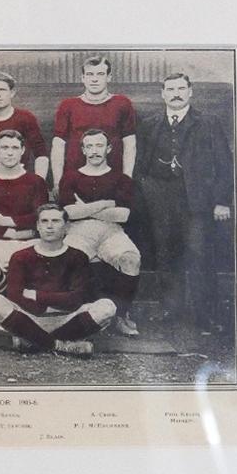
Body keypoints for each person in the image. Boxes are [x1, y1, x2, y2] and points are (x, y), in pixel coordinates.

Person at [133, 72, 234, 332]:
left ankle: (206, 315)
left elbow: (224, 165)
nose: (176, 93)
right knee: (166, 256)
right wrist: (148, 196)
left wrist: (222, 201)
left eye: (181, 88)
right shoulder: (151, 124)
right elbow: (141, 166)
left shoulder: (208, 123)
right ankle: (170, 309)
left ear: (190, 92)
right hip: (162, 203)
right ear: (163, 94)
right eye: (170, 89)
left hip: (198, 202)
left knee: (200, 256)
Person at [0, 204, 116, 356]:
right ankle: (60, 345)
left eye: (55, 221)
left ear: (66, 227)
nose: (49, 226)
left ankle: (34, 342)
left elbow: (78, 298)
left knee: (107, 307)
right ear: (38, 226)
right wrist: (51, 303)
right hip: (29, 318)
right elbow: (15, 296)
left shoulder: (78, 256)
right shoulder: (21, 256)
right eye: (44, 221)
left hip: (68, 319)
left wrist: (36, 295)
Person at [58, 129, 141, 336]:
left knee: (131, 259)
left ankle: (122, 315)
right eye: (89, 146)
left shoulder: (121, 178)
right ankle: (78, 315)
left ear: (109, 148)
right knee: (68, 259)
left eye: (99, 145)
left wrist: (85, 209)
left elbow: (122, 215)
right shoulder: (70, 177)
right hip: (78, 231)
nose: (94, 151)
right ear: (83, 149)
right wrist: (107, 203)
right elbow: (69, 212)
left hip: (111, 232)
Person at [0, 129, 49, 293]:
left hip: (28, 241)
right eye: (5, 148)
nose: (9, 153)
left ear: (22, 150)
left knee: (37, 268)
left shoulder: (35, 182)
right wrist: (10, 233)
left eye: (14, 148)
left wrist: (9, 221)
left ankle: (24, 305)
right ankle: (3, 302)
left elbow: (41, 217)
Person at [51, 56, 137, 190]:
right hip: (75, 178)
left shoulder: (122, 103)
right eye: (90, 74)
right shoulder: (68, 105)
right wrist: (57, 181)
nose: (95, 79)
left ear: (109, 77)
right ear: (83, 78)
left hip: (113, 178)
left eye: (100, 74)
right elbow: (58, 145)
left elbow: (130, 144)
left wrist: (126, 178)